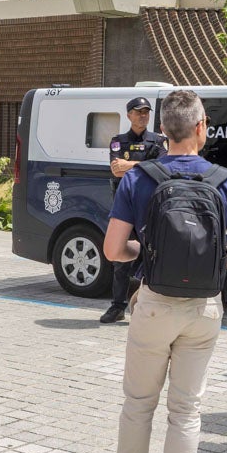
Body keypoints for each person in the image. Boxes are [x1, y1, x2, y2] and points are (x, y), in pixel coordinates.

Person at [96, 90, 227, 453]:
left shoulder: (140, 178)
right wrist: (208, 258)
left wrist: (151, 255)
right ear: (202, 128)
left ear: (162, 130)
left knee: (138, 404)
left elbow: (114, 250)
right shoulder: (224, 181)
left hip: (154, 303)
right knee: (186, 411)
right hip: (203, 308)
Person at [101, 96, 167, 324]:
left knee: (152, 257)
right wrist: (145, 166)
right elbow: (116, 171)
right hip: (126, 208)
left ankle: (147, 306)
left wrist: (130, 165)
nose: (143, 115)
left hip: (151, 209)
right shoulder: (118, 141)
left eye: (146, 112)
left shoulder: (159, 141)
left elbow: (162, 169)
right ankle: (117, 306)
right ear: (129, 115)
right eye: (138, 112)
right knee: (121, 259)